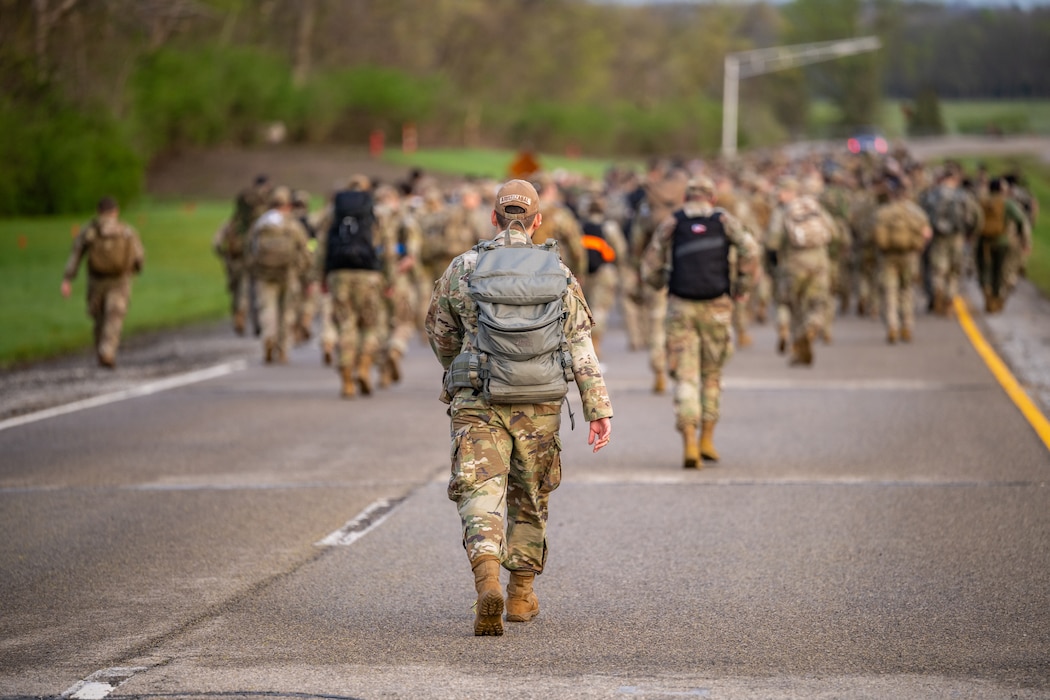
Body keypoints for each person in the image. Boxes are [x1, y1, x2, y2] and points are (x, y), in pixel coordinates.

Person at [425, 179, 613, 637]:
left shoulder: (464, 266)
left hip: (479, 398)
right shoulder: (558, 271)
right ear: (536, 222)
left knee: (479, 491)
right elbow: (579, 342)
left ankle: (485, 577)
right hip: (540, 400)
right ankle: (520, 594)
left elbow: (440, 330)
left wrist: (460, 369)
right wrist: (597, 408)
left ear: (493, 218)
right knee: (530, 494)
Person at [639, 176, 759, 467]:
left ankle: (689, 440)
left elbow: (651, 262)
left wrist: (659, 283)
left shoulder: (673, 221)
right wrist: (741, 287)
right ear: (712, 198)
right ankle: (708, 437)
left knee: (685, 373)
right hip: (717, 305)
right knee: (712, 373)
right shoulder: (724, 220)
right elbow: (750, 250)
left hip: (681, 306)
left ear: (687, 198)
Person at [323, 174, 394, 397]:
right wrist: (389, 279)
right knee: (370, 326)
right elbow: (389, 250)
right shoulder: (377, 213)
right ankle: (364, 367)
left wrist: (322, 276)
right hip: (369, 275)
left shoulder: (333, 212)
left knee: (345, 324)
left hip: (339, 274)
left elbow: (323, 246)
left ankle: (346, 379)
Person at [61, 196, 145, 368]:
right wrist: (135, 270)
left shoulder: (89, 231)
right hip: (120, 281)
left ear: (99, 211)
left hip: (96, 282)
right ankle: (107, 351)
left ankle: (102, 349)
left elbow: (76, 254)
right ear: (116, 211)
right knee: (114, 316)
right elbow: (139, 257)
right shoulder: (126, 230)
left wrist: (67, 278)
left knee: (99, 318)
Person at [765, 176, 840, 367]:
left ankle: (796, 343)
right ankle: (813, 327)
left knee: (792, 305)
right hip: (820, 263)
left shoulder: (782, 212)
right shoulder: (814, 207)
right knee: (817, 303)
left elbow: (772, 242)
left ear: (788, 192)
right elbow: (834, 233)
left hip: (793, 264)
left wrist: (773, 264)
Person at [246, 186, 314, 364]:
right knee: (286, 312)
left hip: (263, 273)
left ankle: (269, 337)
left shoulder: (261, 223)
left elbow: (249, 248)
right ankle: (283, 349)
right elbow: (305, 250)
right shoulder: (292, 224)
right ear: (288, 205)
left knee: (267, 309)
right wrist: (305, 272)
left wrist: (252, 268)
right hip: (288, 273)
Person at [872, 178, 930, 344]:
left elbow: (875, 235)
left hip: (888, 257)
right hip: (910, 256)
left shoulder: (883, 212)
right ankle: (907, 325)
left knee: (890, 292)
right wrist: (919, 248)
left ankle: (892, 325)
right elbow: (926, 234)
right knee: (907, 290)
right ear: (906, 194)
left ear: (891, 195)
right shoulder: (917, 212)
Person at [216, 174, 272, 335]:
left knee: (242, 289)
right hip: (257, 257)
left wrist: (225, 256)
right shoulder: (263, 218)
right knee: (259, 289)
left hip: (238, 257)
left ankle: (240, 313)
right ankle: (258, 323)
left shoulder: (235, 220)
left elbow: (218, 242)